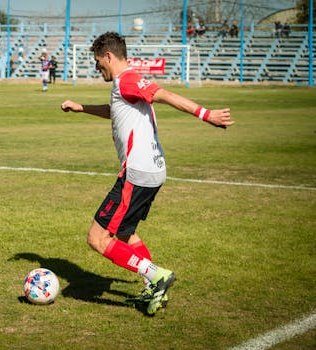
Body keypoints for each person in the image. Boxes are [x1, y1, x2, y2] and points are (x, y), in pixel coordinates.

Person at [60, 32, 234, 315]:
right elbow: (115, 110)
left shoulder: (127, 79)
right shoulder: (125, 84)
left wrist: (206, 114)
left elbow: (162, 94)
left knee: (97, 238)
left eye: (97, 61)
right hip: (153, 169)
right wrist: (82, 108)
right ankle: (155, 289)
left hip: (137, 173)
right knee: (127, 233)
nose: (96, 67)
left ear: (108, 57)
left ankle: (157, 276)